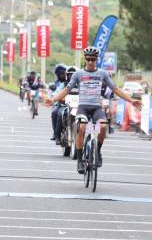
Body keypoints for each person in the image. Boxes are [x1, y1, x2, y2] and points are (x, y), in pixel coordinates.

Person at [45, 46, 141, 174]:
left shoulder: (102, 73)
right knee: (82, 128)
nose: (90, 62)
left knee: (102, 127)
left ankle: (98, 151)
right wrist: (53, 99)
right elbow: (66, 90)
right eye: (88, 59)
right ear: (85, 59)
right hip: (83, 107)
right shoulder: (78, 74)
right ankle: (80, 160)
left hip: (96, 108)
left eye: (93, 59)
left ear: (97, 60)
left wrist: (131, 100)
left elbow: (116, 90)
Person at [48, 64, 68, 144]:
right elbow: (56, 94)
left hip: (78, 105)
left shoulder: (80, 83)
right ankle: (56, 134)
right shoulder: (64, 84)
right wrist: (55, 99)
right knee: (56, 113)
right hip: (62, 104)